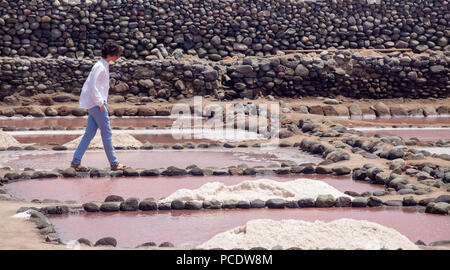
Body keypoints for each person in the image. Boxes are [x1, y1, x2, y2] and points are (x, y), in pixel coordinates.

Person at [70, 40, 128, 172]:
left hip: (95, 104)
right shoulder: (99, 67)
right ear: (111, 54)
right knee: (106, 132)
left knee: (89, 134)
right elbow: (92, 87)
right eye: (117, 54)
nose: (118, 57)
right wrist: (100, 103)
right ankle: (114, 163)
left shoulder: (103, 65)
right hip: (97, 104)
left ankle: (75, 162)